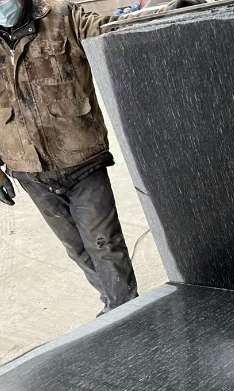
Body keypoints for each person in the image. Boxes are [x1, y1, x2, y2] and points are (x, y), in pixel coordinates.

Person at [0, 0, 140, 314]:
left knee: (105, 245)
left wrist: (174, 8)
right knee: (77, 250)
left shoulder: (62, 15)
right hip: (29, 171)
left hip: (82, 161)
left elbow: (113, 29)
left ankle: (126, 315)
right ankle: (114, 305)